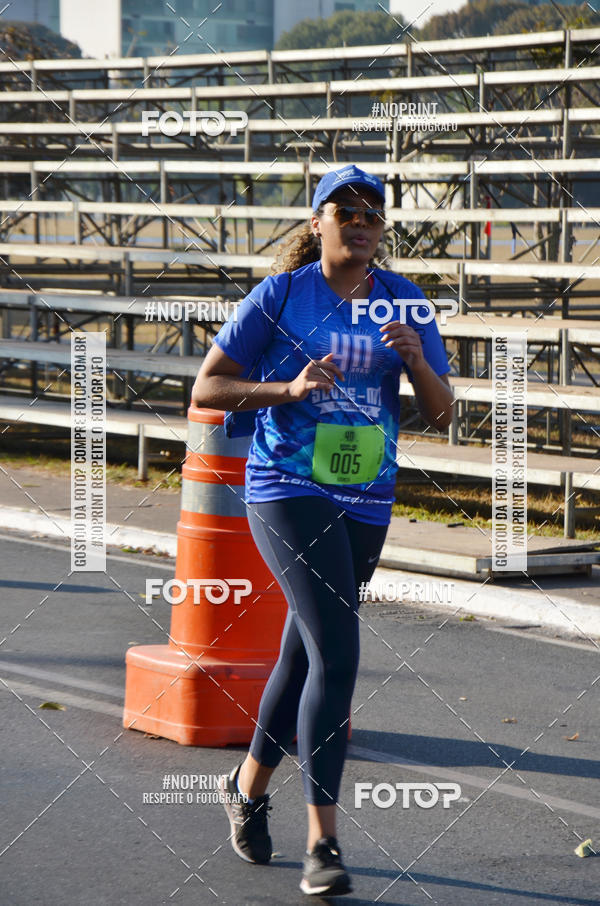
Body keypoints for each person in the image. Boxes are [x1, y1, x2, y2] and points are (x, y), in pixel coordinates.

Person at [191, 165, 453, 897]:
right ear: (319, 223)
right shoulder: (280, 297)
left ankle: (244, 789)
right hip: (285, 486)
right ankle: (323, 844)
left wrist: (414, 363)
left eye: (373, 211)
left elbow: (441, 412)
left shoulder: (407, 303)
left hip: (366, 495)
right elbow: (207, 387)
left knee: (303, 657)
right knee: (338, 653)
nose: (362, 221)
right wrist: (289, 388)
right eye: (347, 211)